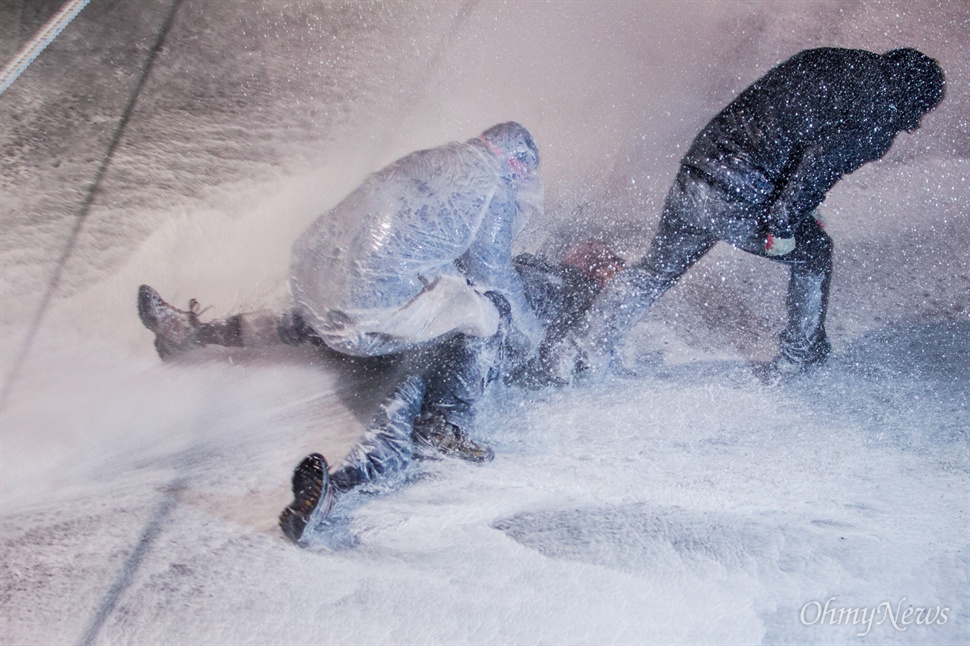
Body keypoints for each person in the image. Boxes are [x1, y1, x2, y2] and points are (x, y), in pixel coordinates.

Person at [541, 47, 945, 386]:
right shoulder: (879, 115)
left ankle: (579, 351)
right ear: (911, 97)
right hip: (742, 195)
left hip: (699, 170)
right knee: (814, 253)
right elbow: (817, 163)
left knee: (655, 269)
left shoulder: (834, 60)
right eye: (922, 111)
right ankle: (800, 354)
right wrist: (783, 225)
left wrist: (804, 204)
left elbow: (785, 125)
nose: (917, 124)